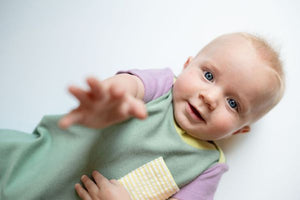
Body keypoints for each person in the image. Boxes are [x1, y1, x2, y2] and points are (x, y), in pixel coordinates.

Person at [0, 32, 284, 200]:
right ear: (187, 65)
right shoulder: (162, 86)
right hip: (36, 164)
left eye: (233, 103)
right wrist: (112, 96)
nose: (209, 98)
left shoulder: (207, 167)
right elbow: (129, 85)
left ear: (239, 131)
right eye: (208, 75)